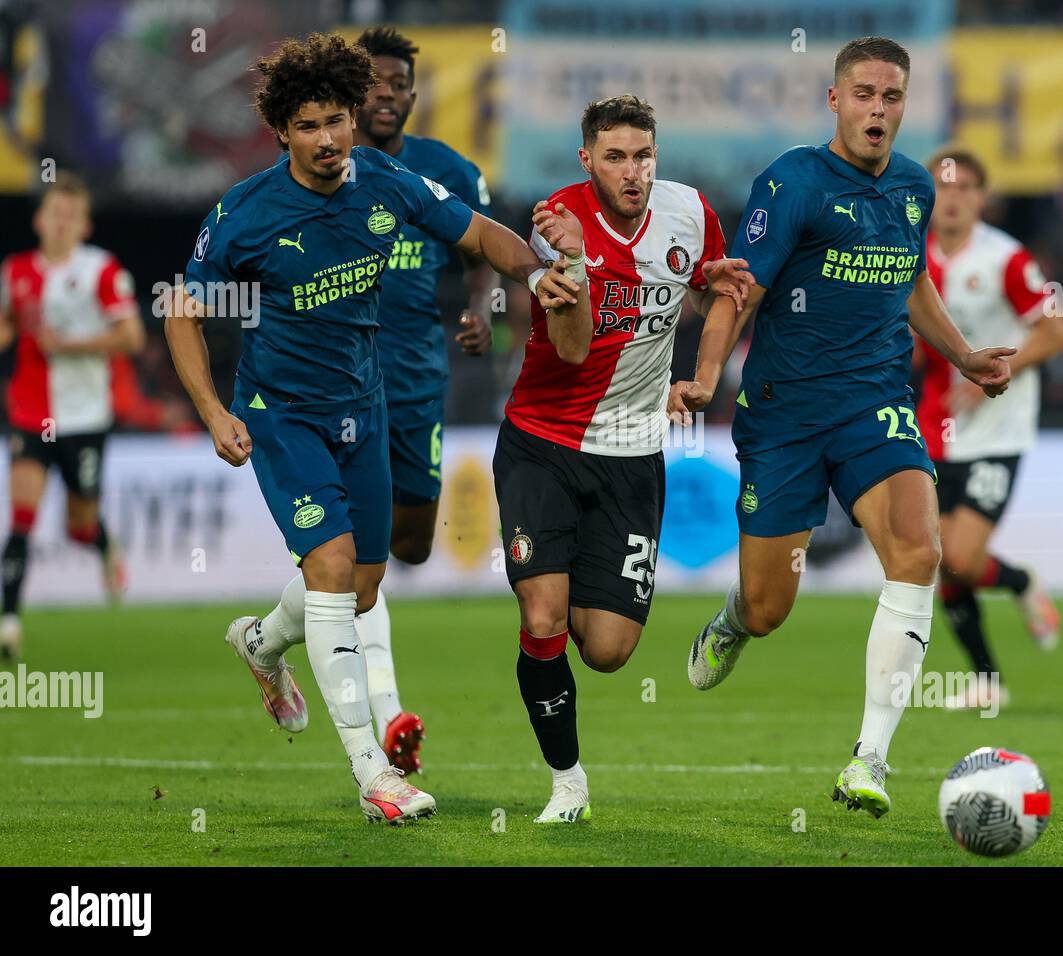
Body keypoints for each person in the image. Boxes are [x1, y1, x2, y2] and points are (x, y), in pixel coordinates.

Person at [165, 33, 587, 823]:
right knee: (328, 566)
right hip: (282, 415)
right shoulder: (246, 216)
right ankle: (373, 776)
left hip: (367, 406)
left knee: (361, 586)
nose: (328, 140)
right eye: (309, 126)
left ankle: (261, 644)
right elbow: (182, 312)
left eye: (337, 121)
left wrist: (534, 272)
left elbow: (477, 234)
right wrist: (216, 411)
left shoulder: (387, 181)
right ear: (283, 133)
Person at [671, 37, 1013, 819]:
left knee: (918, 551)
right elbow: (739, 290)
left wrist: (962, 356)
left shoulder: (914, 187)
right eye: (864, 94)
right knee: (769, 607)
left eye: (892, 97)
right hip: (785, 414)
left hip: (874, 403)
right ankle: (734, 620)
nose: (878, 110)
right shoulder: (792, 181)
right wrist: (706, 374)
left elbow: (911, 276)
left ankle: (870, 760)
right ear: (836, 100)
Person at [494, 94, 753, 823]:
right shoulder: (556, 224)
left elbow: (725, 291)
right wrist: (573, 259)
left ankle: (558, 594)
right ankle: (567, 783)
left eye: (643, 155)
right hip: (541, 444)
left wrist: (703, 376)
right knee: (543, 615)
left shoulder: (692, 213)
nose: (632, 171)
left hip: (634, 456)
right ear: (587, 159)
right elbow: (572, 348)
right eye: (615, 157)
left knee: (606, 650)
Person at [330, 26, 500, 774]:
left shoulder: (444, 170)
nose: (388, 93)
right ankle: (388, 720)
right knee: (353, 550)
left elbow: (483, 250)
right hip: (338, 383)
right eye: (373, 82)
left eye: (399, 82)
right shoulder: (322, 170)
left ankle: (267, 637)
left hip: (416, 376)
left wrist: (481, 309)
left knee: (409, 545)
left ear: (413, 92)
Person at [914, 147, 1063, 710]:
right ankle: (986, 678)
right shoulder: (910, 256)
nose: (953, 198)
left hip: (998, 429)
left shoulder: (1006, 258)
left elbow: (1055, 333)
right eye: (944, 187)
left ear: (982, 198)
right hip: (932, 428)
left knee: (958, 556)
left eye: (965, 189)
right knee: (935, 558)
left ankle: (1022, 582)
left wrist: (1001, 370)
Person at [0, 173, 144, 661]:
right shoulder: (15, 271)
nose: (60, 223)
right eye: (53, 213)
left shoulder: (101, 270)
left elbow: (131, 338)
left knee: (77, 527)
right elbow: (7, 326)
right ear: (39, 219)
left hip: (84, 417)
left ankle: (103, 545)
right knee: (21, 517)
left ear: (84, 225)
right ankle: (9, 623)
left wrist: (72, 346)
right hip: (28, 412)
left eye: (71, 215)